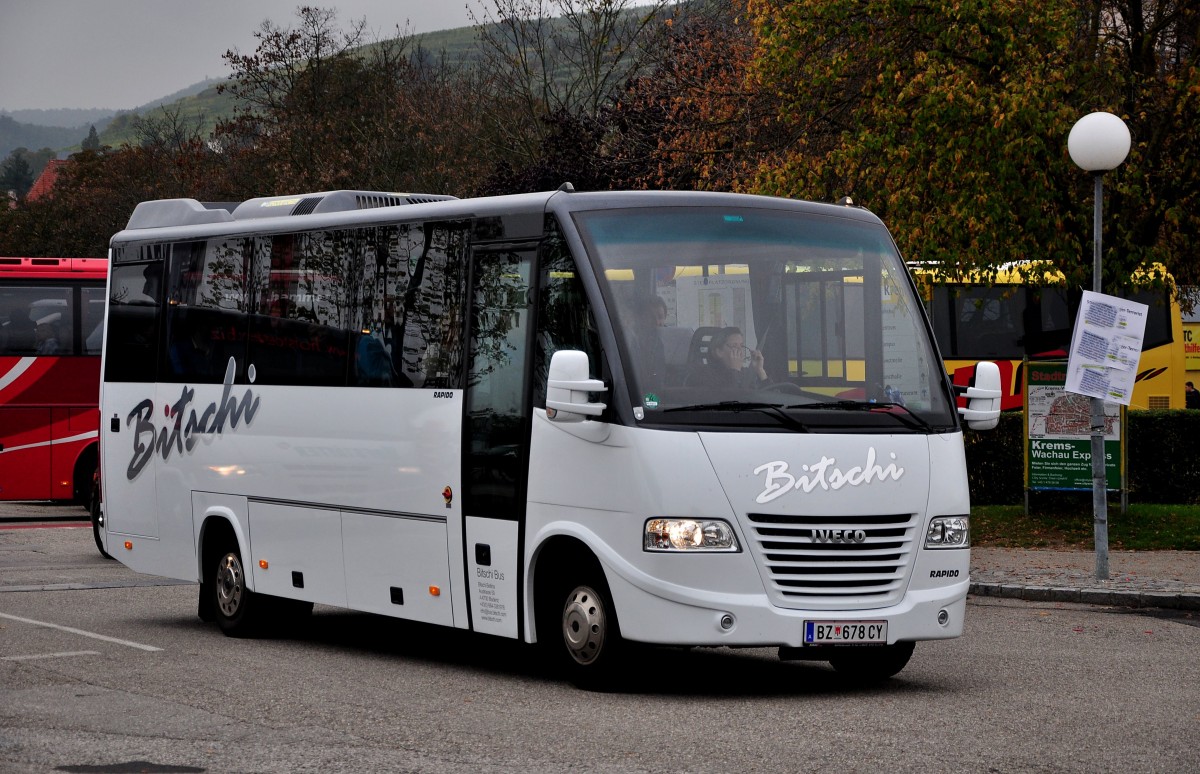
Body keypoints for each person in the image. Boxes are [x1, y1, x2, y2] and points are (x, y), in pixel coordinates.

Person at [692, 326, 768, 389]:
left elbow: (772, 397)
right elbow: (731, 400)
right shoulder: (705, 376)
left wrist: (760, 371)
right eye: (734, 346)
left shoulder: (745, 373)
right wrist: (735, 371)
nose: (740, 351)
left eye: (741, 346)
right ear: (719, 352)